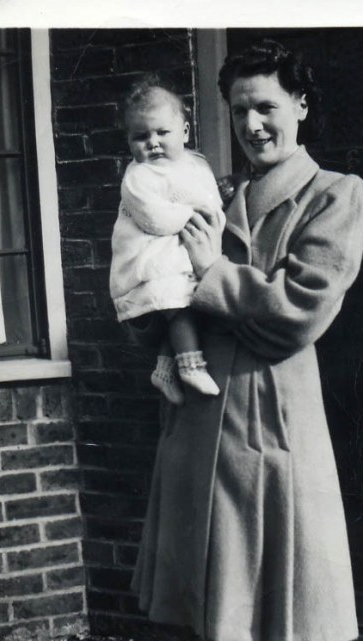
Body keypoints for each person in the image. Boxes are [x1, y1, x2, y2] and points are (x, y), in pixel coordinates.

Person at [129, 39, 363, 641]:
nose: (254, 123)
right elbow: (154, 285)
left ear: (300, 105)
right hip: (203, 416)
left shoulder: (333, 194)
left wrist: (213, 276)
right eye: (239, 111)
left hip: (275, 422)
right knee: (219, 597)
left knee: (284, 602)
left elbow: (301, 310)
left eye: (267, 106)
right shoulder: (204, 188)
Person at [110, 75, 224, 404]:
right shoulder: (139, 177)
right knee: (176, 305)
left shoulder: (196, 163)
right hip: (149, 256)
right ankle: (190, 365)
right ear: (129, 142)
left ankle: (163, 368)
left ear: (185, 132)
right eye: (141, 137)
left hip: (181, 251)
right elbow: (155, 219)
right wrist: (194, 215)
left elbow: (209, 196)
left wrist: (216, 210)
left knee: (186, 304)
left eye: (163, 132)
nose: (153, 143)